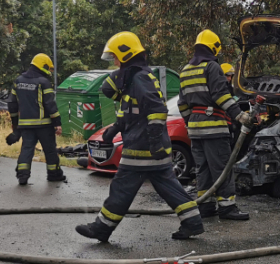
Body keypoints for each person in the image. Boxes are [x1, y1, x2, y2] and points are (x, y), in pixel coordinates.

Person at [75, 32, 204, 242]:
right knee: (168, 186)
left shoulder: (139, 78)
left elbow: (157, 109)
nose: (114, 63)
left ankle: (102, 228)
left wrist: (153, 140)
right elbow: (130, 113)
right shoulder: (135, 79)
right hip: (149, 146)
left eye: (116, 57)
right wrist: (114, 130)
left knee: (121, 187)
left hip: (142, 146)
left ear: (126, 55)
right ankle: (193, 221)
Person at [179, 30, 253, 220]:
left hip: (195, 130)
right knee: (222, 167)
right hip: (214, 128)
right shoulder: (212, 67)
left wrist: (191, 122)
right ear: (214, 48)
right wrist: (239, 115)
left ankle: (205, 206)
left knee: (202, 168)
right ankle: (227, 207)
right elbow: (221, 96)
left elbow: (182, 104)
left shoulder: (185, 70)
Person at [6, 54, 64, 185]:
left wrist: (15, 123)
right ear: (43, 66)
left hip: (25, 125)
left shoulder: (18, 81)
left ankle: (22, 176)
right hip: (44, 125)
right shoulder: (43, 82)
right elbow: (50, 104)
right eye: (48, 68)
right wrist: (57, 123)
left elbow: (12, 103)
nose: (49, 72)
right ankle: (54, 175)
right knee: (50, 150)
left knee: (26, 149)